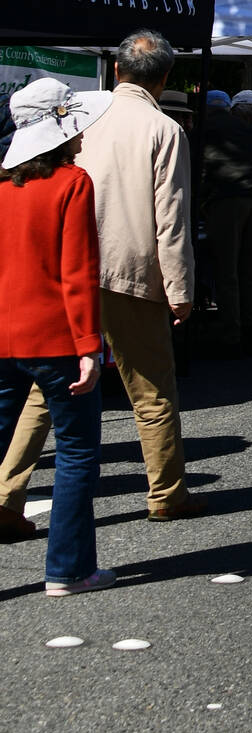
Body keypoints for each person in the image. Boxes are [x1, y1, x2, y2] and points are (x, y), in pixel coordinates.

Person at [0, 32, 204, 524]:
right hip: (131, 270)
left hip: (69, 269)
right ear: (165, 77)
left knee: (46, 393)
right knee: (152, 390)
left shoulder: (81, 115)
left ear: (116, 70)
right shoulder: (164, 128)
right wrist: (180, 289)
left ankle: (6, 496)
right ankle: (166, 493)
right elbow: (170, 217)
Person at [0, 79, 115, 591]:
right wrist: (90, 345)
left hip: (3, 334)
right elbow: (78, 272)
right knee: (75, 451)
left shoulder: (3, 186)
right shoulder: (73, 182)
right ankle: (68, 569)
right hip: (56, 339)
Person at [202, 85, 252, 355]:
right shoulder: (249, 128)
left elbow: (202, 168)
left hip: (229, 198)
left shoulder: (206, 127)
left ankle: (231, 334)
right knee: (250, 266)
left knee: (227, 268)